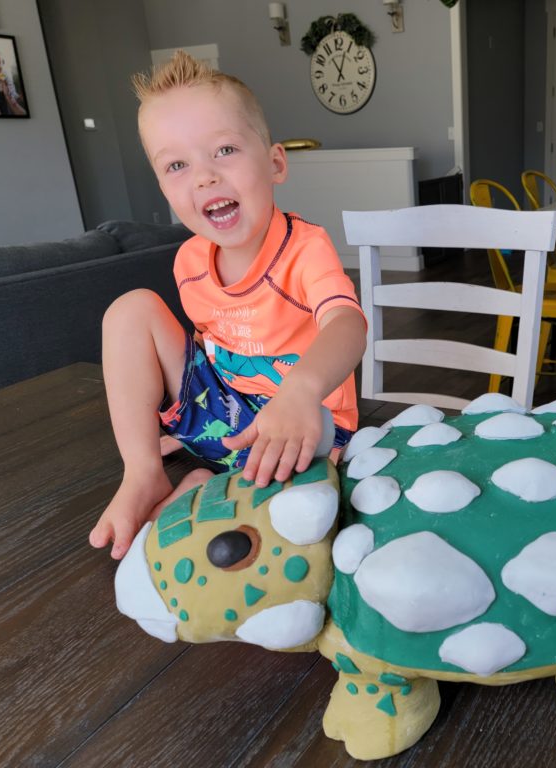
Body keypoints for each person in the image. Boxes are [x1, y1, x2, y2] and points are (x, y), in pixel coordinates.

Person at [89, 51, 367, 560]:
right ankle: (144, 472)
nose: (203, 177)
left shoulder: (305, 249)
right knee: (131, 308)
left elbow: (348, 324)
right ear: (164, 189)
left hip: (302, 422)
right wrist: (180, 422)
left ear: (275, 163)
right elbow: (210, 346)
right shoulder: (191, 260)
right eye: (177, 164)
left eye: (224, 151)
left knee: (303, 521)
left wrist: (301, 392)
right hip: (225, 411)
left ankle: (203, 483)